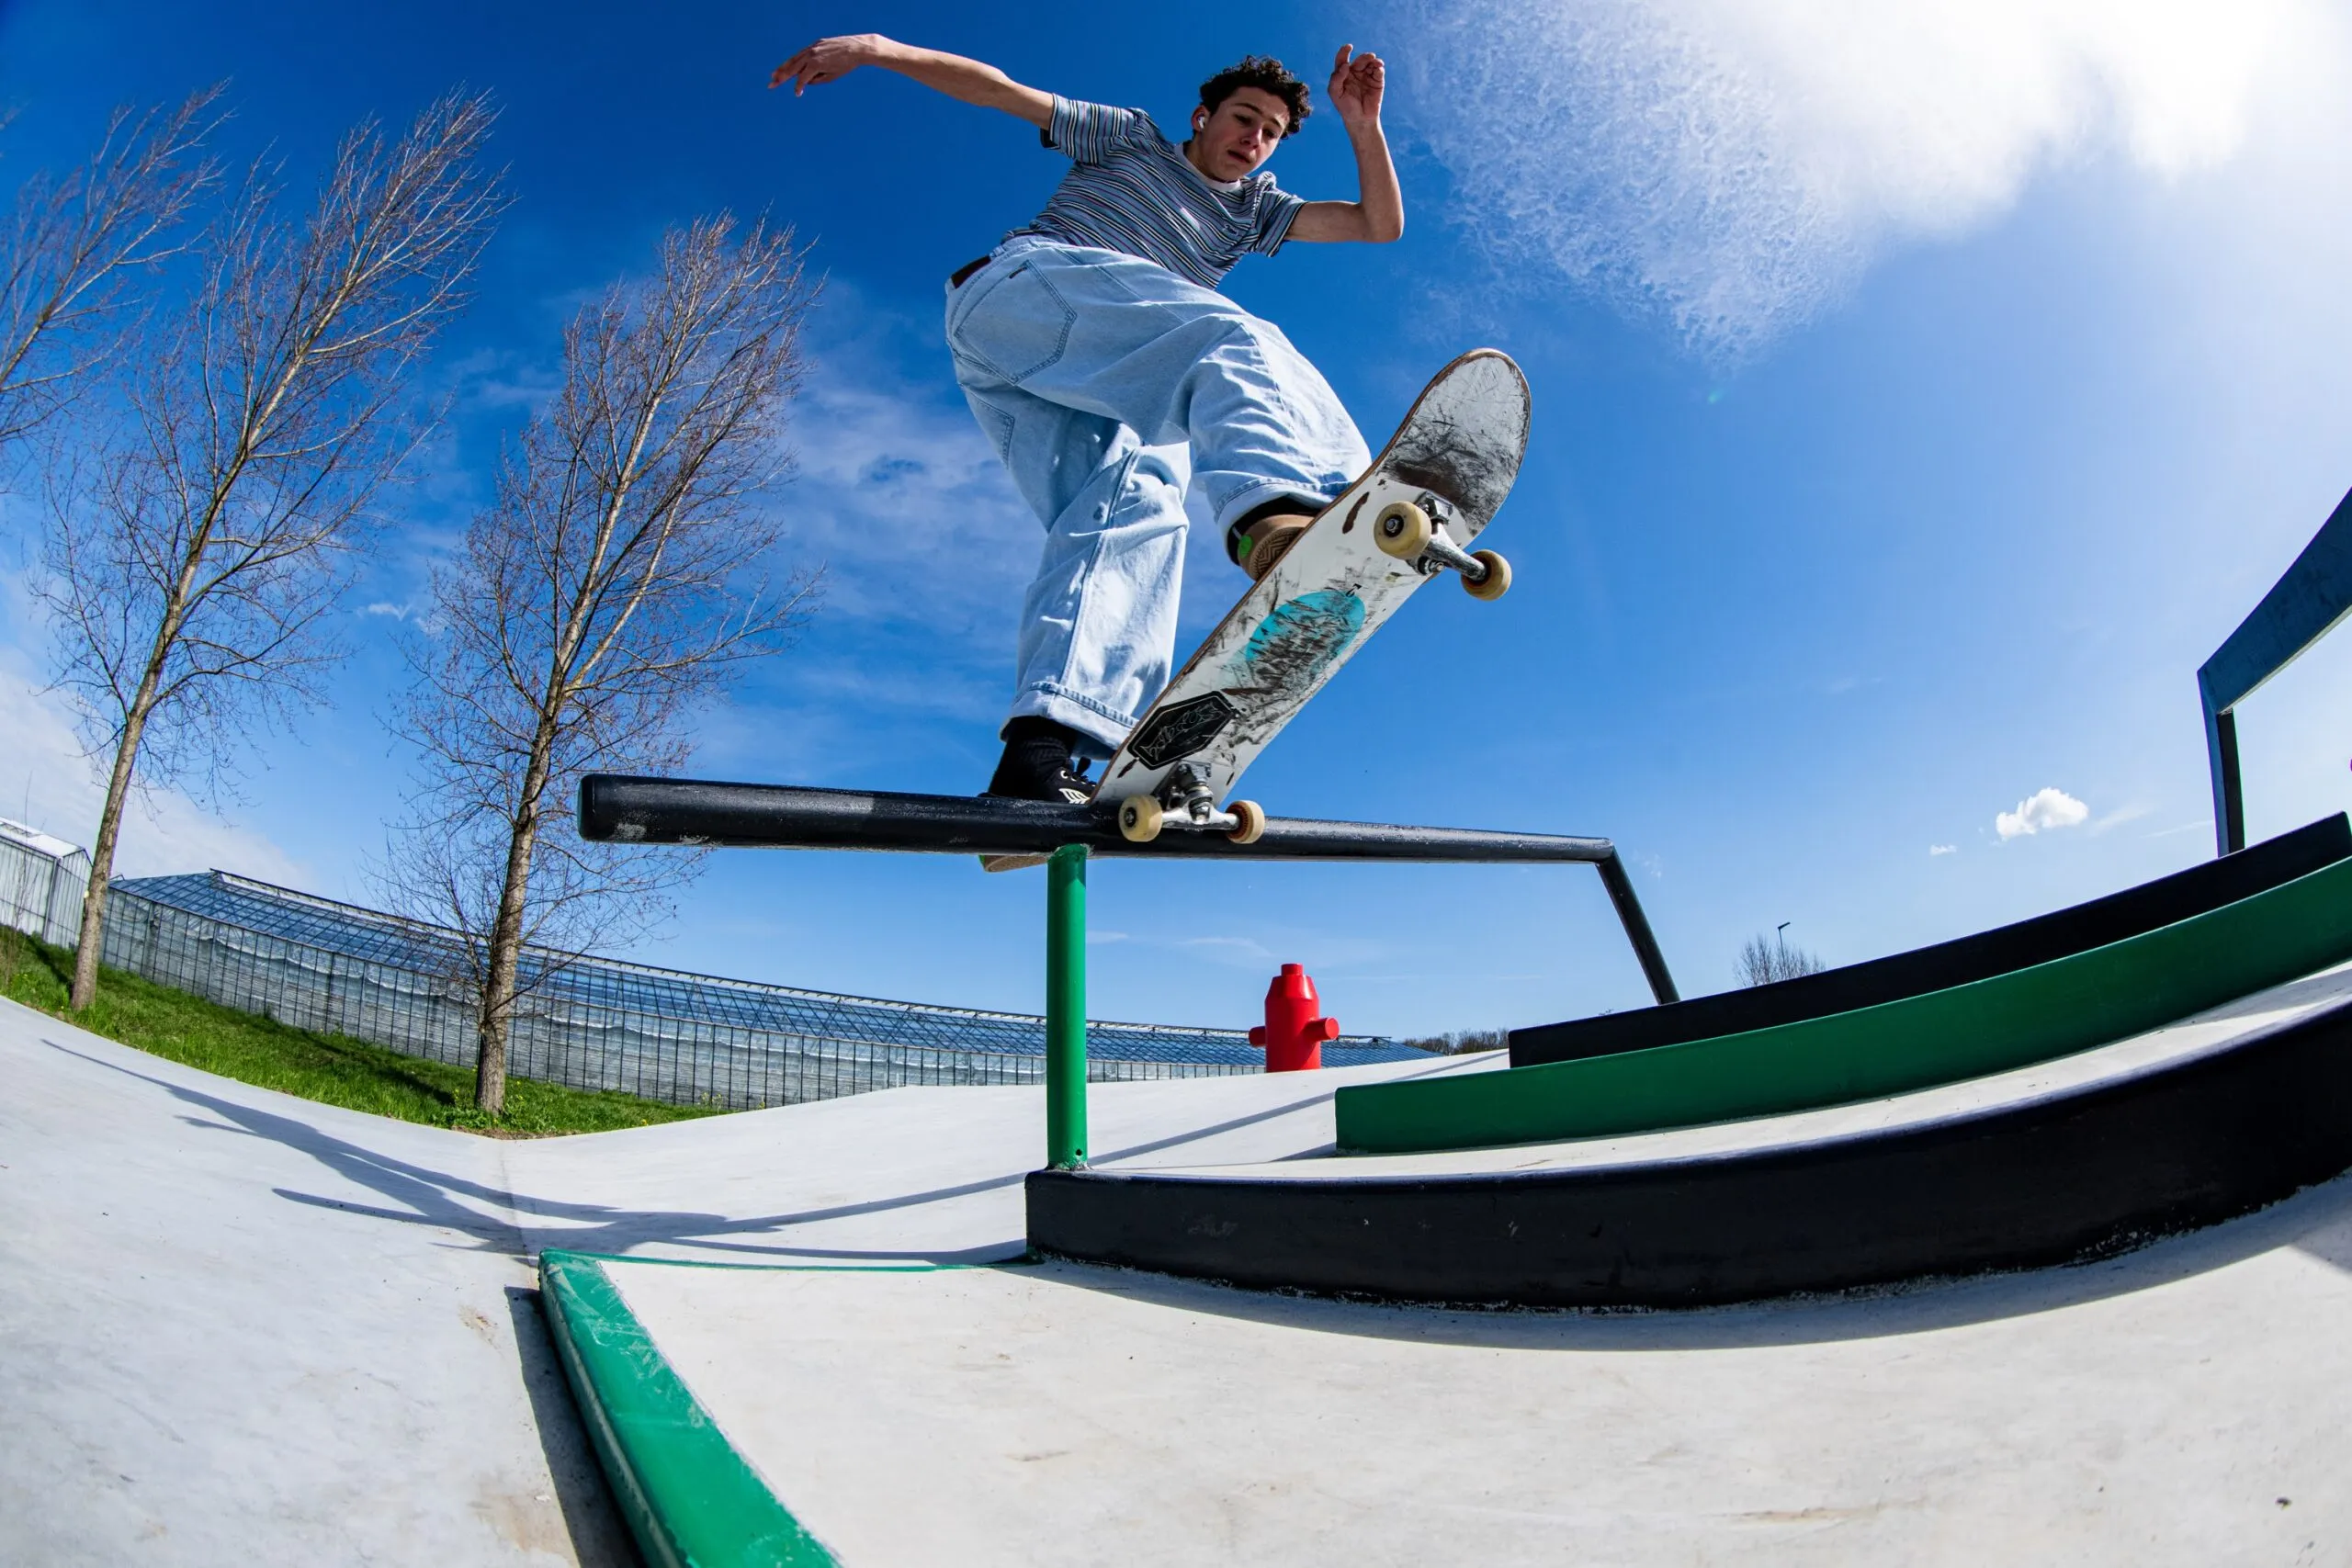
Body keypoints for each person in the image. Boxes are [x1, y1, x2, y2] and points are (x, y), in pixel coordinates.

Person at [773, 35, 1404, 803]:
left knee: (1133, 508)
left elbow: (1378, 223)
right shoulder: (1131, 138)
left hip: (1081, 375)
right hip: (1027, 293)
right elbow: (997, 89)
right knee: (1234, 340)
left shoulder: (1253, 213)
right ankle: (1294, 509)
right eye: (1244, 118)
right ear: (1202, 116)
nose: (1254, 139)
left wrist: (1362, 126)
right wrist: (877, 50)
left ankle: (1041, 754)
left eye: (1271, 133)